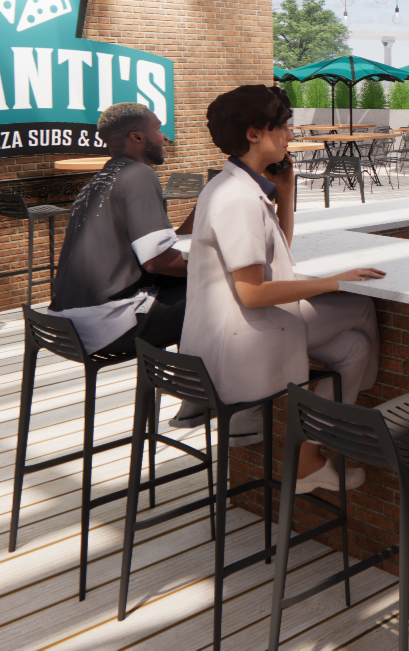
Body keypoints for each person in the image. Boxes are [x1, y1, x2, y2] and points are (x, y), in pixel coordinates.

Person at [180, 85, 387, 495]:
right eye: (284, 127)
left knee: (353, 349)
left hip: (230, 333)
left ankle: (311, 456)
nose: (290, 136)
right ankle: (311, 443)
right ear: (255, 133)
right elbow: (253, 292)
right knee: (360, 310)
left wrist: (287, 194)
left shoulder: (230, 187)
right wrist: (336, 281)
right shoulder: (237, 199)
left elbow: (278, 257)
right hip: (244, 341)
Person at [48, 103, 188, 356]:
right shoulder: (139, 173)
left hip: (63, 324)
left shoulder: (95, 184)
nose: (165, 136)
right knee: (219, 292)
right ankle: (204, 389)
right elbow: (156, 261)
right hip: (106, 327)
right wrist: (215, 266)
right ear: (137, 137)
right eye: (158, 128)